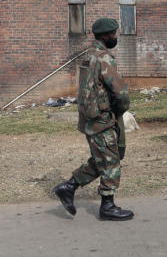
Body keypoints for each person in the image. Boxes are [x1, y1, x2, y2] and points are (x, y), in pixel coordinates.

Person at [53, 18, 133, 220]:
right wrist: (119, 112)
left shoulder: (89, 57)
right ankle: (107, 206)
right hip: (102, 120)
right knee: (111, 161)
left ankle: (68, 187)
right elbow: (121, 93)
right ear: (106, 35)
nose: (116, 36)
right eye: (114, 33)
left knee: (103, 159)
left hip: (90, 119)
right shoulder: (104, 58)